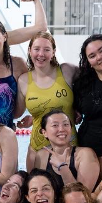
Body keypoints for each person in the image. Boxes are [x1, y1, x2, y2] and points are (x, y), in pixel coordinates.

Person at [18, 31, 78, 169]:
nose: (41, 54)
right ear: (29, 50)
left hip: (69, 147)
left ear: (53, 52)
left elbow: (92, 80)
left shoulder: (67, 71)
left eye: (46, 49)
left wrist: (78, 108)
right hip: (37, 148)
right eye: (36, 49)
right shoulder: (23, 80)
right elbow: (17, 113)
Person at [32, 110, 100, 191]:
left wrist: (62, 167)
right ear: (44, 132)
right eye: (55, 125)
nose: (61, 129)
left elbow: (82, 197)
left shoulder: (85, 154)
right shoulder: (41, 155)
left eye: (66, 124)